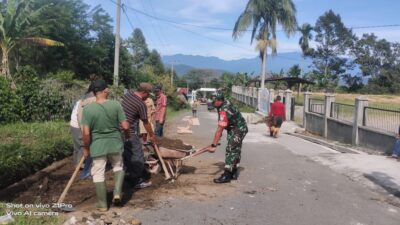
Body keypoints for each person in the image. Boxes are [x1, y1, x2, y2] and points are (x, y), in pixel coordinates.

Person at [81, 80, 130, 212]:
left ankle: (102, 204)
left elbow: (86, 133)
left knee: (98, 172)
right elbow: (125, 126)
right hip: (115, 142)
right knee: (118, 166)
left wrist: (86, 148)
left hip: (97, 145)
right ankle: (117, 193)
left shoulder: (88, 109)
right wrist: (128, 135)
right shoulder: (116, 105)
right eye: (107, 88)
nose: (109, 89)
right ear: (104, 90)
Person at [206, 92, 248, 183]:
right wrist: (217, 141)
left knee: (231, 149)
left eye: (213, 101)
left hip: (238, 129)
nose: (212, 103)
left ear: (219, 101)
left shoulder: (224, 109)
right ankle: (233, 172)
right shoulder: (222, 104)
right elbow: (222, 126)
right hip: (234, 128)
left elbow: (219, 129)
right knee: (235, 149)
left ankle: (227, 175)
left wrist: (213, 145)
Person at [122, 83, 157, 189]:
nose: (149, 97)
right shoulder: (140, 104)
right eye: (149, 94)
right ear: (144, 92)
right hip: (130, 133)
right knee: (138, 157)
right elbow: (146, 122)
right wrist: (152, 135)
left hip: (119, 132)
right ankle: (137, 181)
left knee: (127, 155)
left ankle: (127, 177)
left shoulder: (127, 95)